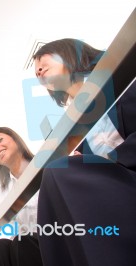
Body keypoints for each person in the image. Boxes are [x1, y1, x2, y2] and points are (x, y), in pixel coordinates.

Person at [33, 38, 136, 265]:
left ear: (68, 52)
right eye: (35, 70)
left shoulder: (123, 74)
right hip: (112, 192)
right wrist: (87, 164)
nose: (38, 69)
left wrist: (105, 162)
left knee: (57, 172)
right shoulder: (72, 129)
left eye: (42, 59)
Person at [0, 127, 43, 266]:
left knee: (22, 241)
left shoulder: (44, 166)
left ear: (16, 140)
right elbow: (16, 229)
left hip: (57, 237)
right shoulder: (3, 193)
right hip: (28, 248)